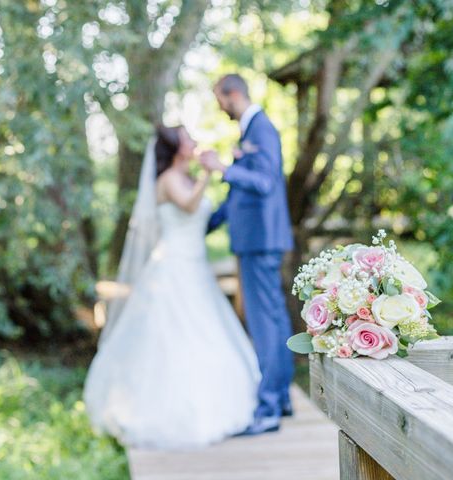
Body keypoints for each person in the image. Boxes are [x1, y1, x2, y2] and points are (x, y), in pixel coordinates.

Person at [84, 125, 260, 450]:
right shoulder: (167, 180)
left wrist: (224, 172)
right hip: (172, 268)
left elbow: (206, 213)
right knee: (172, 335)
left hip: (195, 266)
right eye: (188, 139)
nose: (193, 142)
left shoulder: (190, 177)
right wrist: (209, 172)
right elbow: (190, 206)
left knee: (204, 332)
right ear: (176, 148)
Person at [201, 73, 295, 435]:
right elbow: (241, 193)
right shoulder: (250, 130)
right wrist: (206, 224)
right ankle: (281, 399)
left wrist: (223, 168)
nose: (219, 107)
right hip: (257, 240)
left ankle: (268, 408)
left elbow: (265, 183)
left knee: (264, 322)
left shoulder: (262, 129)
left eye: (219, 99)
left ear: (234, 94)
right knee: (272, 320)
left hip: (260, 241)